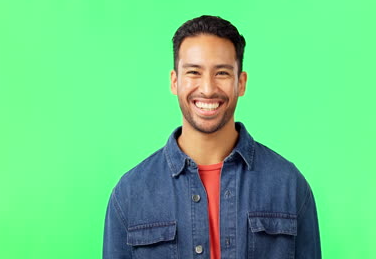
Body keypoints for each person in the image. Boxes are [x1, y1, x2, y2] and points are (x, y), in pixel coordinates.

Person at [103, 15, 321, 259]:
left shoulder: (289, 186)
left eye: (222, 73)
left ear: (241, 82)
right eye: (194, 72)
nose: (207, 88)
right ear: (175, 82)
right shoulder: (130, 194)